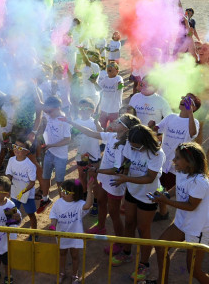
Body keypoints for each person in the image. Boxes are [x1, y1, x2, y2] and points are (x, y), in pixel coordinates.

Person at [68, 114, 141, 252]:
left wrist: (97, 169)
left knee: (114, 214)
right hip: (104, 179)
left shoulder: (125, 147)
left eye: (119, 121)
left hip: (114, 184)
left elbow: (117, 170)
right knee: (101, 201)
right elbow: (91, 133)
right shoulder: (112, 136)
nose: (115, 121)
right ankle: (101, 227)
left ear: (125, 129)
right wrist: (71, 121)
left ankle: (120, 244)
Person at [110, 125, 166, 282]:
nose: (134, 149)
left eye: (137, 147)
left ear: (146, 142)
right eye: (132, 146)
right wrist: (124, 170)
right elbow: (128, 159)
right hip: (132, 191)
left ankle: (144, 264)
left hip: (148, 195)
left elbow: (149, 178)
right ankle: (127, 253)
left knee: (143, 229)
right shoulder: (131, 143)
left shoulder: (157, 154)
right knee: (129, 223)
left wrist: (126, 178)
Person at [151, 142, 209, 284]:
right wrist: (166, 195)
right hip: (182, 223)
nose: (174, 160)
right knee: (160, 247)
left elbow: (191, 206)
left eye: (177, 158)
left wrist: (165, 201)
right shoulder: (182, 171)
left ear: (189, 162)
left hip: (197, 229)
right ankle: (162, 281)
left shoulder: (200, 182)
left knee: (194, 271)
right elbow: (179, 186)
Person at [151, 93, 201, 221]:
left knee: (176, 193)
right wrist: (151, 126)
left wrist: (190, 114)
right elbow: (156, 129)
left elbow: (192, 133)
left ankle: (181, 220)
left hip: (178, 164)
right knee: (160, 188)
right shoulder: (170, 117)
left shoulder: (193, 121)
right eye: (184, 98)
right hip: (163, 160)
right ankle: (163, 212)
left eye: (189, 100)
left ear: (194, 108)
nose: (184, 100)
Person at [49, 178, 94, 284]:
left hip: (75, 236)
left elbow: (88, 205)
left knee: (75, 256)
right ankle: (62, 273)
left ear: (76, 194)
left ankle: (75, 275)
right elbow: (54, 215)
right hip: (62, 235)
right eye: (62, 190)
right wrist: (53, 225)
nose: (62, 193)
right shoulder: (58, 203)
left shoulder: (79, 204)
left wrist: (90, 190)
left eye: (66, 192)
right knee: (62, 254)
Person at [38, 96, 72, 214]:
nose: (47, 113)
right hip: (49, 153)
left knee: (59, 181)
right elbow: (40, 102)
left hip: (60, 157)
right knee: (45, 177)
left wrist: (52, 145)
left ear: (57, 108)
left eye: (49, 111)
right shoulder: (49, 114)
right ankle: (45, 199)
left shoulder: (64, 121)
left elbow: (67, 140)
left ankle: (62, 203)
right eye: (46, 111)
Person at [6, 138, 38, 232]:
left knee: (31, 214)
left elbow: (32, 182)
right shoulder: (11, 160)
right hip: (15, 191)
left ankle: (34, 233)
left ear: (26, 152)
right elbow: (9, 174)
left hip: (27, 194)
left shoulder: (30, 166)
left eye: (20, 148)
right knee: (12, 211)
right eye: (15, 146)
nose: (16, 149)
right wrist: (6, 184)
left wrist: (23, 192)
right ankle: (11, 232)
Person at [97, 62, 124, 130]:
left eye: (112, 67)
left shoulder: (118, 78)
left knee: (114, 128)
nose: (110, 68)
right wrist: (94, 82)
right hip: (104, 108)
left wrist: (120, 85)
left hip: (114, 109)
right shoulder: (105, 78)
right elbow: (98, 88)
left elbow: (121, 86)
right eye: (108, 67)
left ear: (117, 71)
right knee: (101, 127)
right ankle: (102, 139)